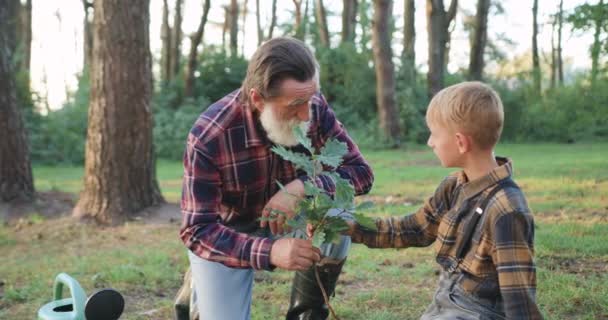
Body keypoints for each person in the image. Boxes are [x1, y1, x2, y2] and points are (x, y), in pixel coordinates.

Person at [179, 37, 374, 320]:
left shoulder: (312, 106)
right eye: (295, 105)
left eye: (311, 98)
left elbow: (361, 173)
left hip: (292, 220)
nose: (307, 114)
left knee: (339, 209)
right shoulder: (210, 135)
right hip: (228, 235)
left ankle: (308, 313)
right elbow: (196, 230)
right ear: (258, 99)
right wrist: (269, 251)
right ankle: (199, 282)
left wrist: (303, 187)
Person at [337, 82, 542, 319]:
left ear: (461, 143)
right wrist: (350, 226)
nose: (430, 142)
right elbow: (414, 228)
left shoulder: (506, 209)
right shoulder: (453, 186)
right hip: (445, 300)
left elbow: (520, 299)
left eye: (434, 133)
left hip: (479, 312)